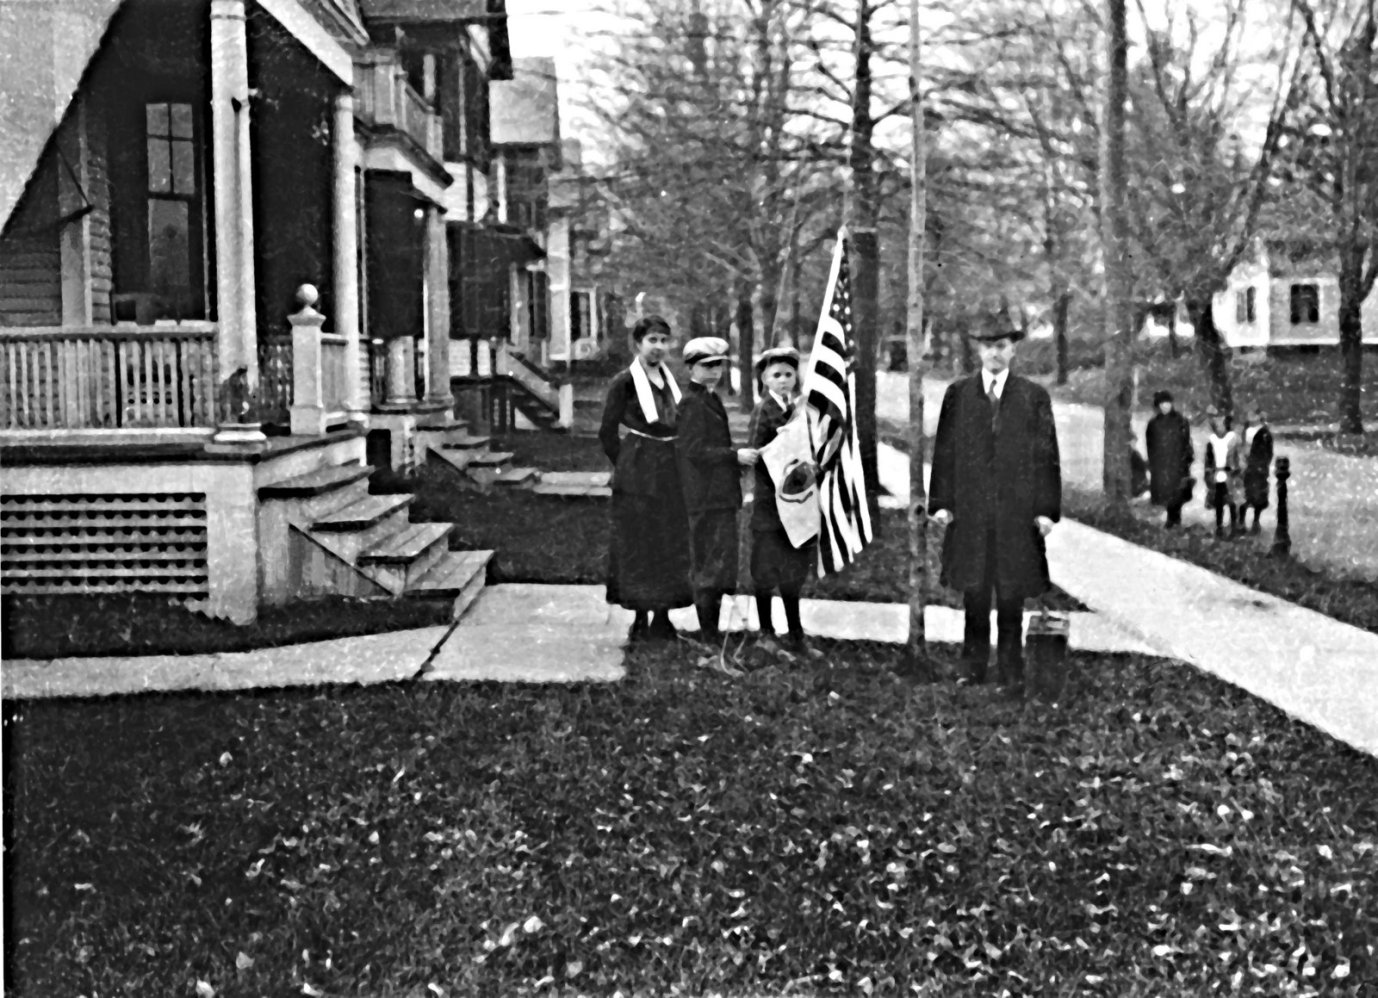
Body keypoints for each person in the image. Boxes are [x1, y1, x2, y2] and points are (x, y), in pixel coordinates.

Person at [929, 314, 1062, 688]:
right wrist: (942, 501)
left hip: (1015, 514)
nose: (995, 353)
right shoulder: (958, 394)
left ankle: (1009, 668)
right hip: (971, 512)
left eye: (1002, 346)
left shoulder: (1032, 396)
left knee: (1010, 594)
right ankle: (971, 667)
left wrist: (1046, 510)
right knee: (974, 592)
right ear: (978, 350)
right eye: (988, 346)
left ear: (1014, 349)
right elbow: (945, 451)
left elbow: (1047, 455)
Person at [599, 315, 694, 641]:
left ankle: (664, 616)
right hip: (639, 470)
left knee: (669, 539)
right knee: (640, 541)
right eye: (651, 340)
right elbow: (607, 432)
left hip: (670, 467)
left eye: (663, 341)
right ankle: (640, 615)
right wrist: (627, 464)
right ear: (637, 344)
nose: (658, 347)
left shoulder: (671, 379)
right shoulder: (623, 382)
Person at [676, 336, 758, 644]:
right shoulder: (692, 404)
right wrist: (734, 456)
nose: (714, 372)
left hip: (719, 495)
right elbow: (694, 451)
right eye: (706, 366)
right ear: (691, 368)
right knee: (709, 567)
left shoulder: (709, 398)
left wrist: (733, 461)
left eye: (718, 366)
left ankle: (712, 632)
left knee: (721, 566)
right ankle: (709, 637)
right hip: (705, 497)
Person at [748, 345, 822, 660]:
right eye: (776, 375)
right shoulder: (763, 410)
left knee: (793, 571)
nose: (783, 380)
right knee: (765, 570)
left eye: (789, 374)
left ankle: (795, 632)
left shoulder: (800, 410)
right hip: (770, 503)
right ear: (764, 378)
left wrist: (811, 465)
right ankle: (766, 631)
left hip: (796, 503)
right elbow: (760, 454)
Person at [1145, 390, 1194, 528]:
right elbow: (1150, 444)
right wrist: (1153, 462)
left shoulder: (1181, 421)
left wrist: (1186, 460)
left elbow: (1186, 442)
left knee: (1177, 492)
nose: (1165, 406)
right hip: (1162, 463)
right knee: (1165, 492)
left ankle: (1175, 519)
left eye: (1167, 403)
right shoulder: (1153, 424)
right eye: (1162, 403)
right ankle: (1170, 519)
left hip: (1177, 462)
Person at [1203, 407, 1242, 539]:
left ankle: (1233, 527)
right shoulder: (1212, 441)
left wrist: (1235, 469)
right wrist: (1209, 473)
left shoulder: (1232, 439)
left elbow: (1238, 458)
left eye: (1222, 424)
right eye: (1217, 424)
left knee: (1232, 502)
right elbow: (1208, 460)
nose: (1220, 427)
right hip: (1217, 475)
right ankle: (1219, 527)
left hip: (1230, 475)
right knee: (1218, 502)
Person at [1240, 404, 1274, 535]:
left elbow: (1268, 453)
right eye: (1249, 414)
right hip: (1245, 468)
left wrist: (1259, 464)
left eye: (1253, 414)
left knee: (1258, 496)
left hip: (1257, 469)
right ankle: (1241, 521)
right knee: (1242, 495)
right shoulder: (1245, 430)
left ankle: (1256, 520)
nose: (1250, 417)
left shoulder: (1264, 433)